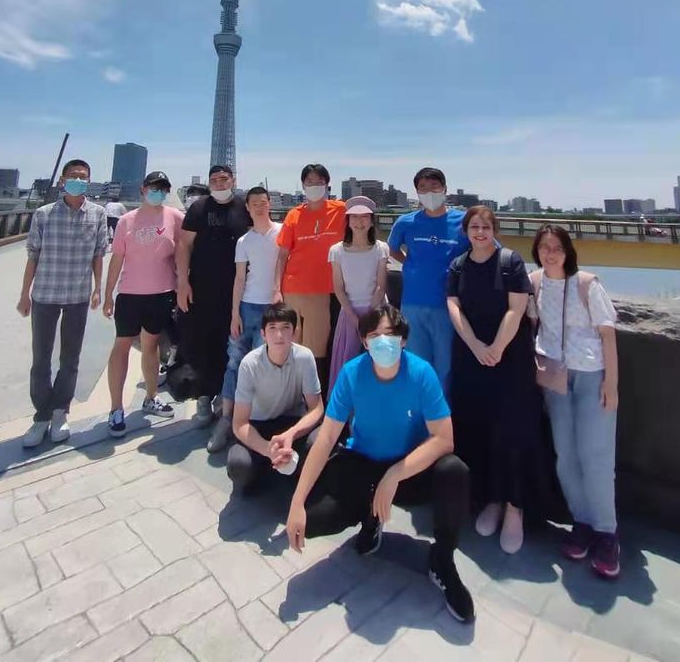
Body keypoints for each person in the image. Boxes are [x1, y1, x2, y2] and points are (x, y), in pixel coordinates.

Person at [285, 304, 474, 625]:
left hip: (408, 468)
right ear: (364, 341)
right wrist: (297, 503)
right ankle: (369, 518)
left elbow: (445, 439)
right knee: (309, 522)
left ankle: (442, 561)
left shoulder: (421, 373)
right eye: (374, 335)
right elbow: (327, 437)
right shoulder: (352, 373)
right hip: (364, 465)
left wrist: (395, 474)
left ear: (403, 340)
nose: (383, 342)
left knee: (454, 471)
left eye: (390, 334)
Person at [446, 205, 538, 554]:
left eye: (486, 226)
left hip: (510, 359)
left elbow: (517, 308)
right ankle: (491, 500)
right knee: (479, 427)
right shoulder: (459, 265)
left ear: (494, 230)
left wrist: (497, 347)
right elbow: (454, 306)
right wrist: (475, 345)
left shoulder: (510, 262)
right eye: (474, 226)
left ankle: (515, 507)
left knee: (511, 431)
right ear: (466, 231)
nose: (480, 232)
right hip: (472, 356)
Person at [530, 225, 620, 578]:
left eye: (557, 248)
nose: (550, 253)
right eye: (544, 247)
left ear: (568, 252)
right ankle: (581, 522)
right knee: (566, 454)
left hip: (591, 374)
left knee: (596, 455)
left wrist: (611, 383)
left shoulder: (586, 284)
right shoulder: (535, 282)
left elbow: (608, 334)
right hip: (554, 375)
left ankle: (607, 532)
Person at [17, 159, 108, 447]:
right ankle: (41, 415)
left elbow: (98, 254)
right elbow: (33, 256)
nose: (78, 181)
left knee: (70, 358)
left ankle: (60, 412)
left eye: (83, 177)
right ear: (62, 181)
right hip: (44, 294)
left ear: (89, 181)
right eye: (73, 176)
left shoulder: (98, 214)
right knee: (41, 358)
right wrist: (24, 294)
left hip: (77, 296)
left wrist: (97, 289)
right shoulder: (43, 214)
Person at [102, 172, 182, 435]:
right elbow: (117, 258)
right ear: (143, 189)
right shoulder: (127, 220)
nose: (158, 193)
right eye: (153, 188)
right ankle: (116, 409)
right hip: (130, 294)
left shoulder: (174, 217)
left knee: (151, 346)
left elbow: (185, 250)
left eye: (163, 189)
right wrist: (108, 294)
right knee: (122, 345)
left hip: (162, 293)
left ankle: (150, 396)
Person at [207, 186, 283, 453]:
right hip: (248, 306)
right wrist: (234, 313)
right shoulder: (244, 241)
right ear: (247, 208)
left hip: (274, 309)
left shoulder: (283, 232)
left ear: (270, 204)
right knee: (235, 363)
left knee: (262, 366)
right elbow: (240, 279)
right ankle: (227, 419)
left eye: (264, 202)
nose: (260, 207)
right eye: (255, 204)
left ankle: (253, 421)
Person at [176, 164, 251, 425]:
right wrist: (182, 282)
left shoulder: (244, 208)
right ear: (209, 184)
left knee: (231, 344)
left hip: (236, 290)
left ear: (233, 180)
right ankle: (203, 396)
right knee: (202, 342)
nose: (220, 184)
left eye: (224, 179)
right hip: (202, 288)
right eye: (215, 180)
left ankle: (224, 394)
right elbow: (183, 245)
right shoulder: (199, 208)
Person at [388, 167, 468, 394]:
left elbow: (487, 248)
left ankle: (443, 413)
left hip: (448, 306)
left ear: (445, 189)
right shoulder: (405, 222)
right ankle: (418, 413)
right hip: (412, 304)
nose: (429, 192)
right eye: (423, 188)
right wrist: (410, 264)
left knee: (445, 366)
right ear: (416, 192)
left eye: (434, 186)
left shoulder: (463, 222)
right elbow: (393, 249)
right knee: (416, 365)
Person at [227, 305, 324, 493]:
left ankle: (289, 469)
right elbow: (239, 423)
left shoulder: (305, 357)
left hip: (292, 423)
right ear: (263, 334)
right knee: (239, 465)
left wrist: (292, 434)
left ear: (295, 333)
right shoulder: (249, 364)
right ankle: (269, 465)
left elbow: (317, 408)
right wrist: (267, 449)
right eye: (272, 328)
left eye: (285, 328)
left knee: (320, 441)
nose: (279, 335)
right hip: (259, 425)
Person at [275, 163, 347, 394]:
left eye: (319, 182)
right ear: (303, 186)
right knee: (293, 346)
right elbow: (282, 254)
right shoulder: (294, 215)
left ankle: (319, 398)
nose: (314, 186)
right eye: (310, 182)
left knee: (319, 351)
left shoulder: (341, 210)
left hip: (328, 289)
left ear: (327, 185)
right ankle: (293, 396)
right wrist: (277, 288)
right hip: (294, 288)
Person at [327, 196, 388, 391]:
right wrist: (353, 317)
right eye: (354, 217)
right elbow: (338, 288)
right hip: (349, 313)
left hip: (377, 313)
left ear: (371, 220)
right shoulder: (336, 250)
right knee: (348, 362)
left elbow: (380, 286)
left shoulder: (381, 248)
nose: (359, 222)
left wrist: (369, 317)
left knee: (379, 363)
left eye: (364, 217)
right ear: (347, 220)